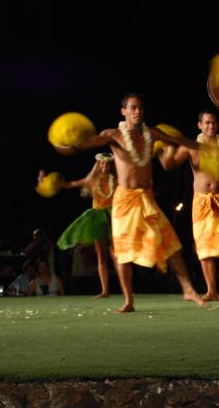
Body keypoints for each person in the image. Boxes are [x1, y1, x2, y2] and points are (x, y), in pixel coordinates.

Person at [67, 93, 206, 312]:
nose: (137, 111)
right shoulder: (113, 135)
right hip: (124, 200)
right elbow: (87, 143)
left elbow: (179, 141)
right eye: (132, 108)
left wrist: (200, 147)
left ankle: (188, 290)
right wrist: (67, 144)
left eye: (140, 108)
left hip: (146, 197)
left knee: (171, 243)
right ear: (123, 111)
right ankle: (128, 300)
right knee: (121, 251)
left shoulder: (152, 134)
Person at [158, 110, 219, 301]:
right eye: (207, 123)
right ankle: (212, 290)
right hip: (201, 200)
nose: (211, 126)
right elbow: (169, 165)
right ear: (199, 125)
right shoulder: (192, 148)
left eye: (214, 123)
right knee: (204, 245)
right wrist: (163, 148)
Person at [53, 153, 116, 298]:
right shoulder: (93, 180)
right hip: (96, 218)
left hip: (113, 216)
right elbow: (73, 184)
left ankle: (125, 287)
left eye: (107, 164)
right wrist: (56, 182)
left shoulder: (116, 181)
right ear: (99, 166)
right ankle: (105, 290)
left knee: (116, 253)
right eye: (102, 164)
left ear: (111, 166)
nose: (105, 166)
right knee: (101, 255)